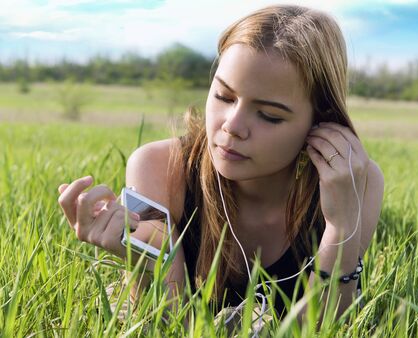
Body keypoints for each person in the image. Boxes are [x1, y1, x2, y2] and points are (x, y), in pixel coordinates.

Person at [58, 4, 383, 324]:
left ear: (320, 121)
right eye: (225, 97)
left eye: (269, 115)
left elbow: (322, 326)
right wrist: (143, 264)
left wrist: (341, 226)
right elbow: (171, 324)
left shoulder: (356, 182)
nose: (231, 126)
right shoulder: (159, 167)